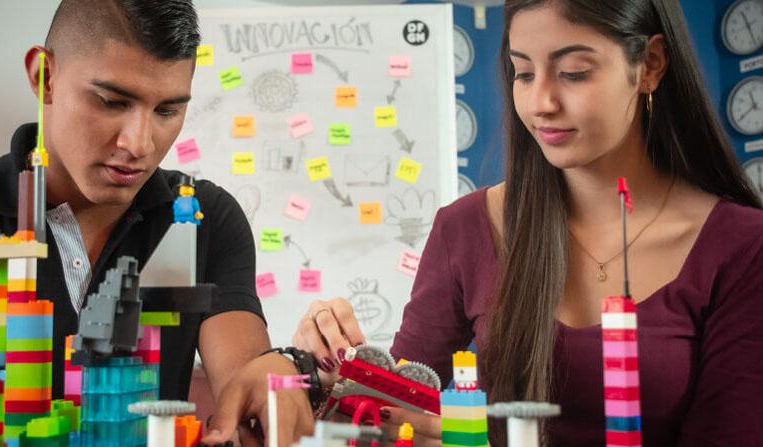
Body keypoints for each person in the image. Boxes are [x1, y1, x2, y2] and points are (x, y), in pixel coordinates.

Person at [290, 0, 763, 445]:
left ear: (650, 65)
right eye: (523, 73)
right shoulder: (467, 228)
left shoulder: (741, 246)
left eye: (574, 73)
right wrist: (337, 374)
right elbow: (395, 407)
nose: (541, 103)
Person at [0, 1, 312, 446]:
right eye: (112, 102)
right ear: (44, 77)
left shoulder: (206, 219)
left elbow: (244, 382)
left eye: (167, 111)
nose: (139, 143)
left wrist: (280, 371)